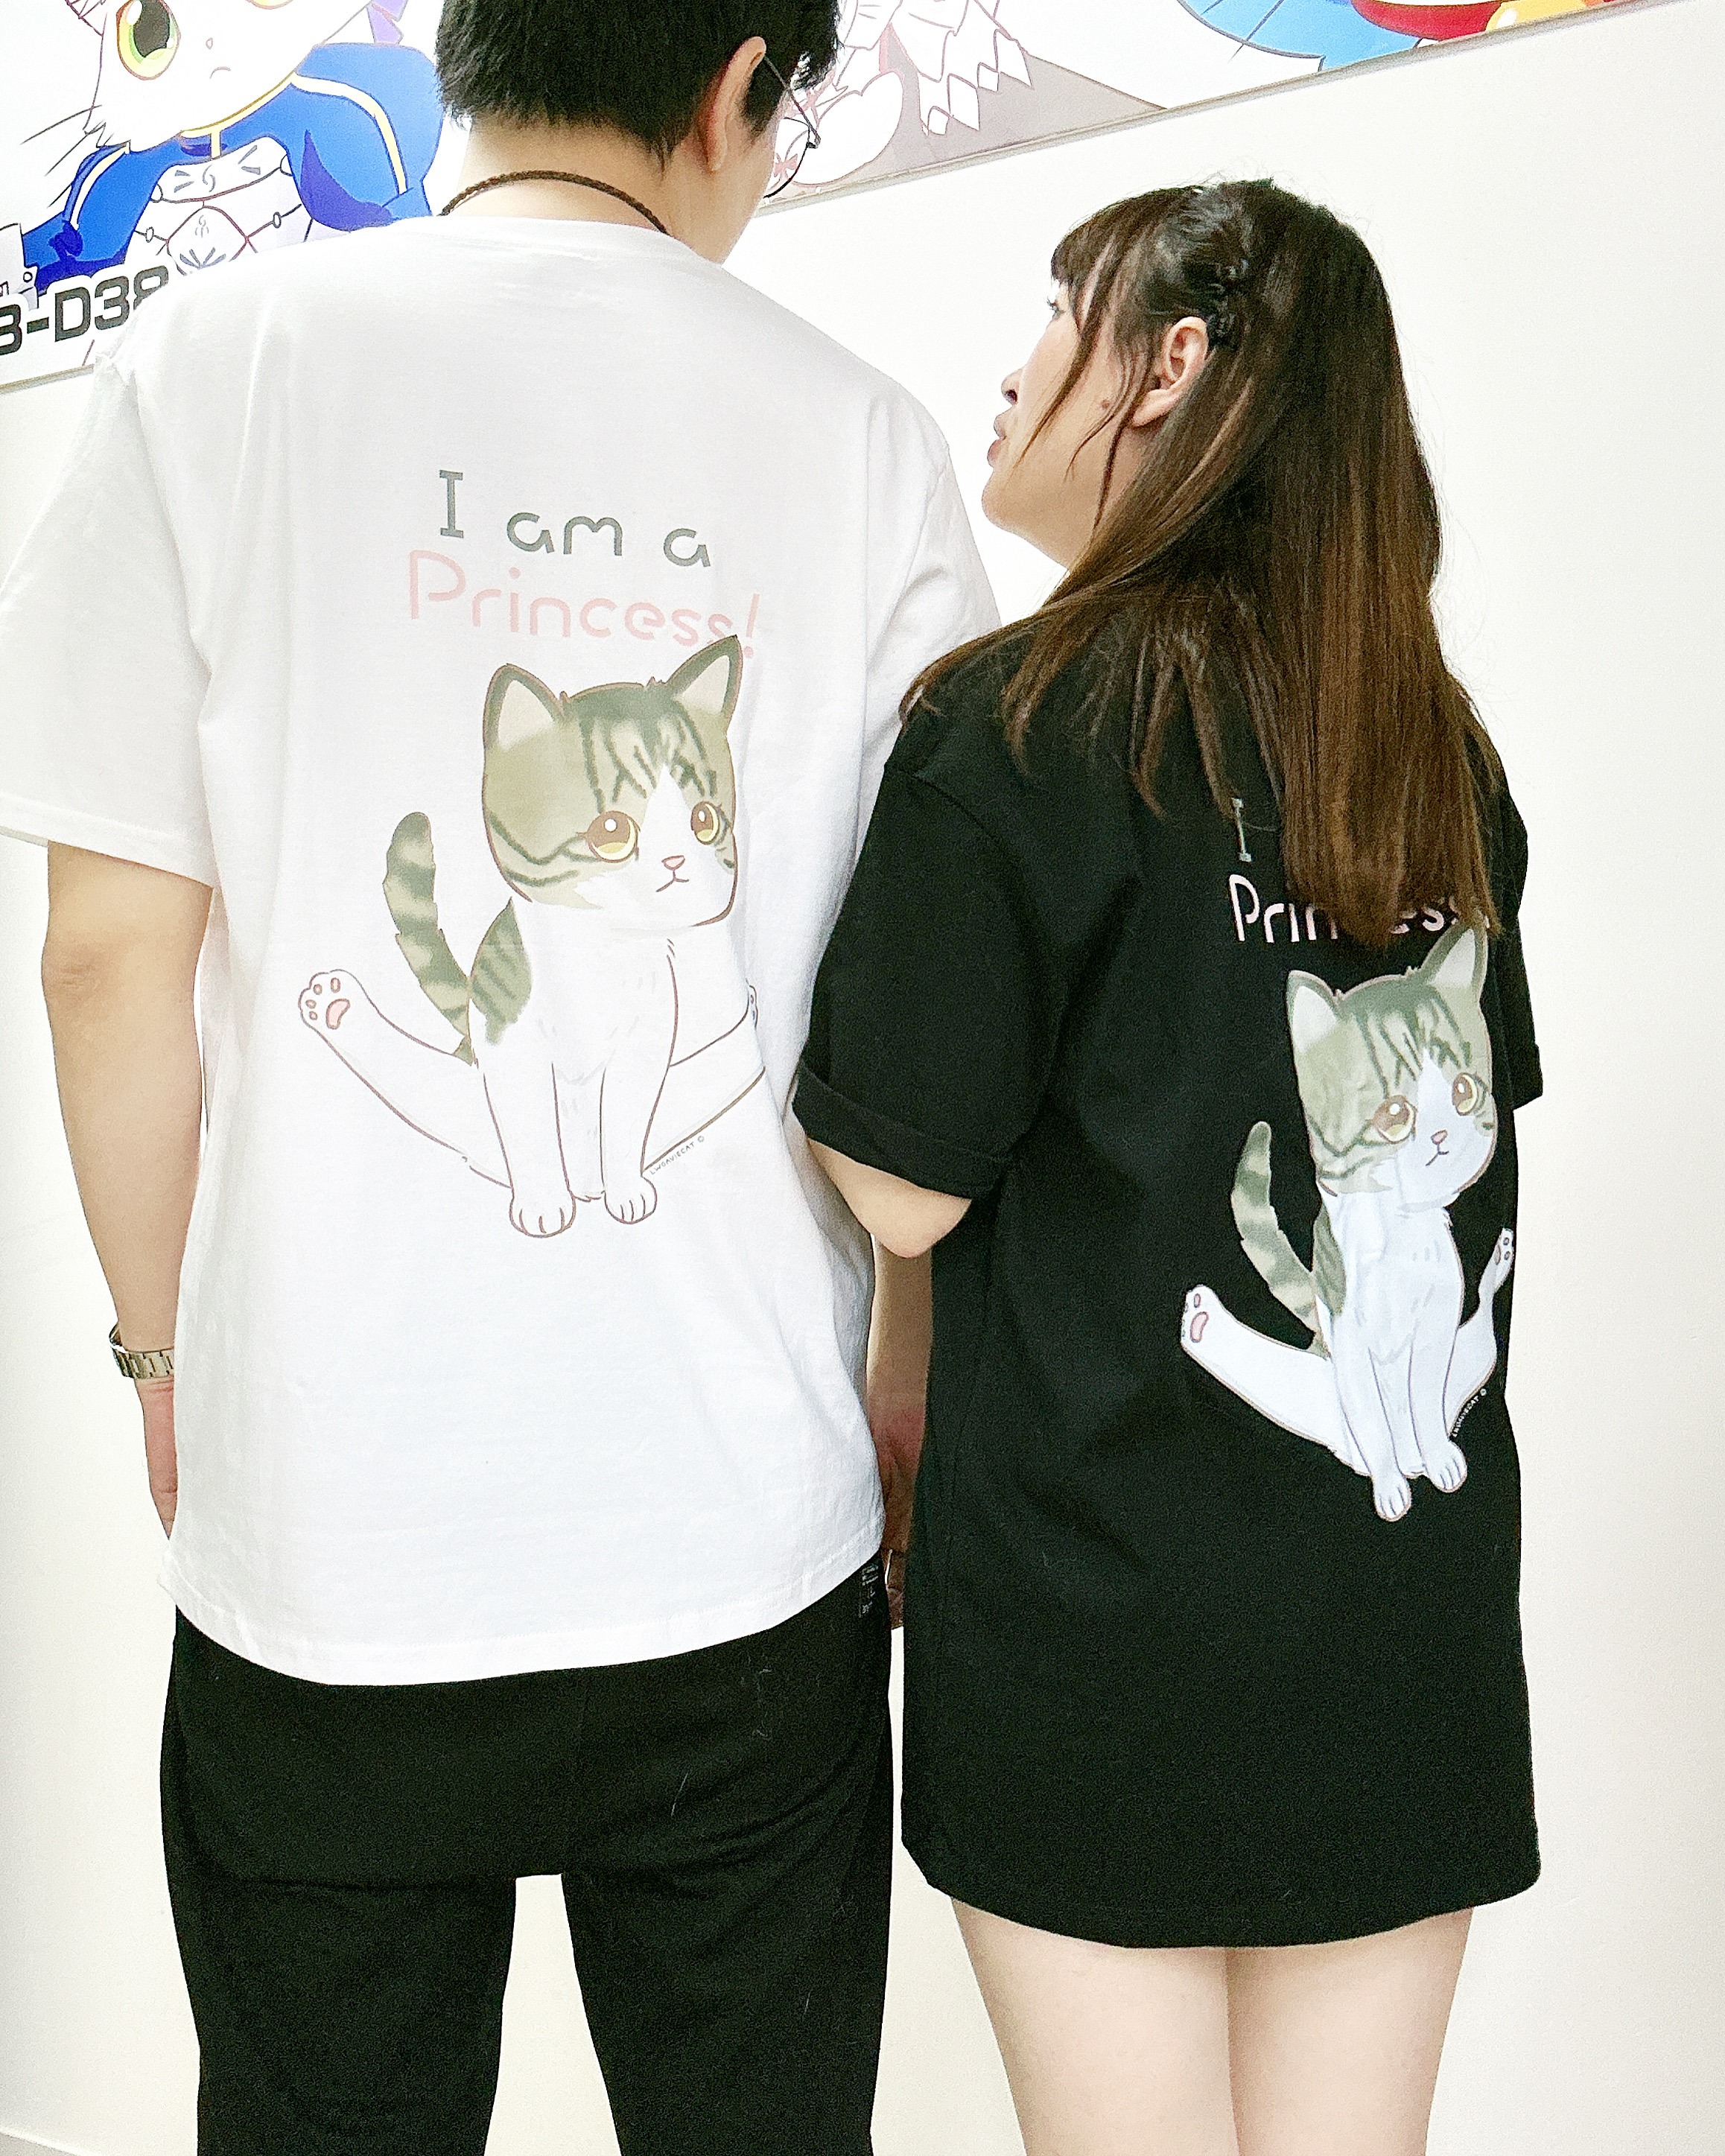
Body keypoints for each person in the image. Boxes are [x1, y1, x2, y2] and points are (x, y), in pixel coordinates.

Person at [0, 4, 997, 2150]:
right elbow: (928, 1015)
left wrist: (165, 1353)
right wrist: (903, 1375)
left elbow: (104, 958)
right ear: (740, 85)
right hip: (741, 1531)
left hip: (329, 1541)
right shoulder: (858, 438)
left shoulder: (206, 368)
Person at [798, 179, 1540, 2155]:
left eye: (1061, 313)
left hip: (1099, 1614)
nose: (1016, 368)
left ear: (1169, 362)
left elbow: (900, 1190)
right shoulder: (1433, 752)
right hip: (1398, 1614)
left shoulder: (1014, 724)